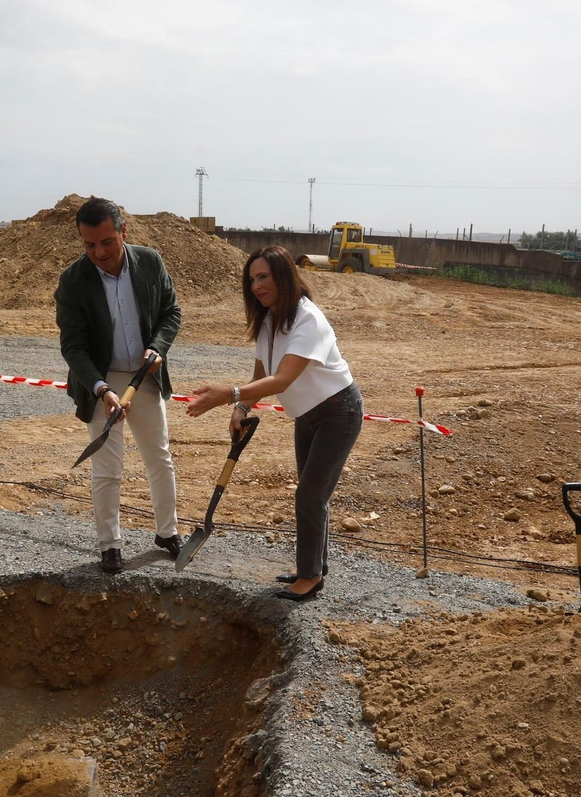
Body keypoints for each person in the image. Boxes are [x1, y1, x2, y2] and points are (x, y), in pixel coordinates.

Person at [186, 246, 362, 600]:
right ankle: (315, 567)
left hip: (337, 412)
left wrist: (229, 394)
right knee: (313, 495)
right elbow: (262, 372)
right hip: (306, 416)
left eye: (263, 276)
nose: (256, 285)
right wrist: (241, 408)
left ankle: (310, 578)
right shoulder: (268, 319)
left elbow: (282, 380)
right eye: (251, 279)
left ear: (283, 276)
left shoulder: (307, 319)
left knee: (310, 495)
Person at [54, 196, 182, 574]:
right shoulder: (73, 281)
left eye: (107, 242)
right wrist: (100, 388)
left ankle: (167, 532)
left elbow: (171, 312)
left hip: (145, 376)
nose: (99, 252)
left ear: (124, 232)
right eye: (89, 244)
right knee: (107, 467)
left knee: (159, 458)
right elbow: (73, 346)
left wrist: (158, 348)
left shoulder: (150, 263)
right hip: (100, 380)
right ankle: (110, 545)